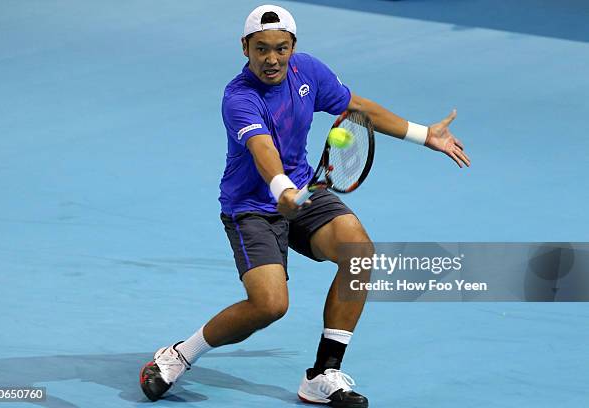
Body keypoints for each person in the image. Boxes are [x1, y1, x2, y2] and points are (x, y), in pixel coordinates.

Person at [140, 4, 470, 407]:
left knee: (359, 253)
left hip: (304, 191)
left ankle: (323, 373)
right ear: (245, 48)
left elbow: (357, 108)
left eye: (281, 48)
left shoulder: (308, 72)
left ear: (293, 46)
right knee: (270, 305)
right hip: (252, 208)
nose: (272, 59)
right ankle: (179, 354)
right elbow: (263, 149)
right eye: (261, 49)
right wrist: (280, 189)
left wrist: (424, 134)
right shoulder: (239, 97)